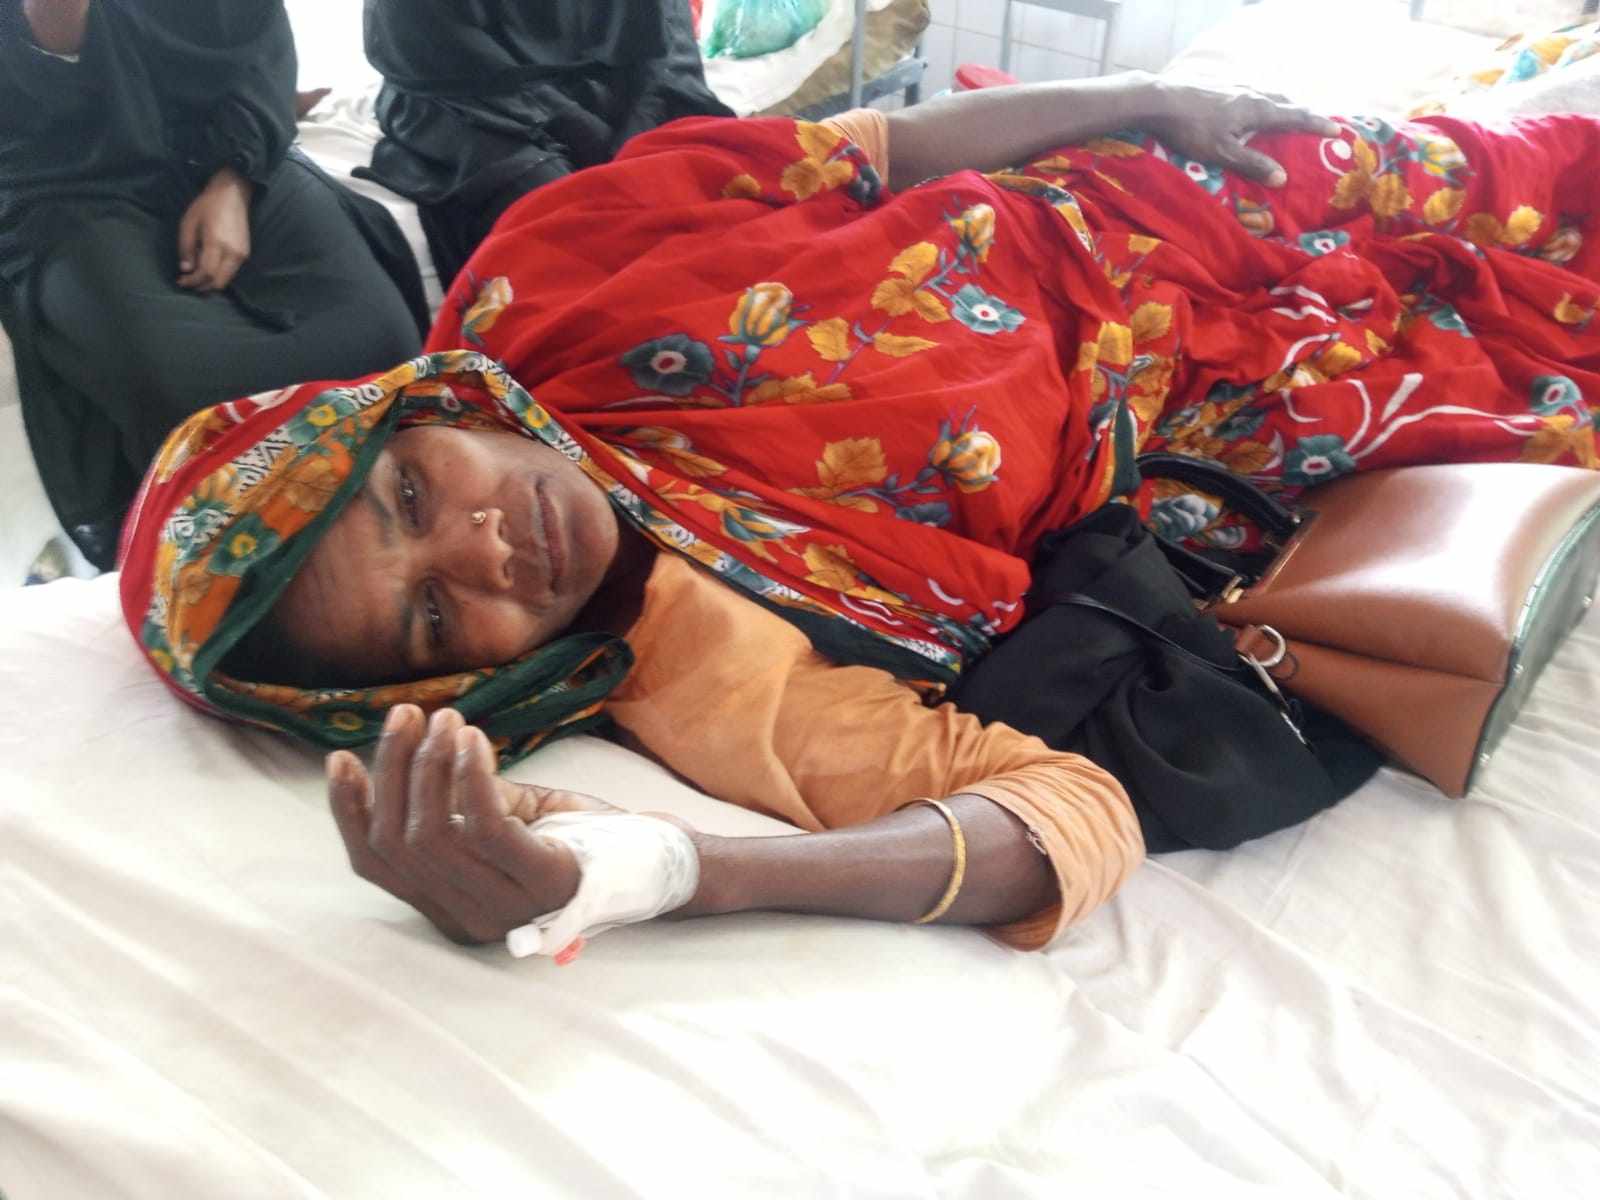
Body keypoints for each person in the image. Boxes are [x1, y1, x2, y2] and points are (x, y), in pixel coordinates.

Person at [120, 74, 1600, 957]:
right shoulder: (697, 660)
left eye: (409, 493)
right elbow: (1066, 816)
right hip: (1242, 382)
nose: (488, 544)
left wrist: (1154, 101)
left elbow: (878, 154)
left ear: (409, 410)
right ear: (462, 685)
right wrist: (664, 872)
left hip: (1157, 190)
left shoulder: (545, 272)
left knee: (1505, 165)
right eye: (436, 614)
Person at [0, 0, 429, 570]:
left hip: (227, 145)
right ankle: (263, 574)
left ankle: (408, 521)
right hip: (70, 189)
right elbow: (33, 119)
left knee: (379, 345)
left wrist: (235, 181)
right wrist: (55, 23)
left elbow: (258, 45)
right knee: (184, 394)